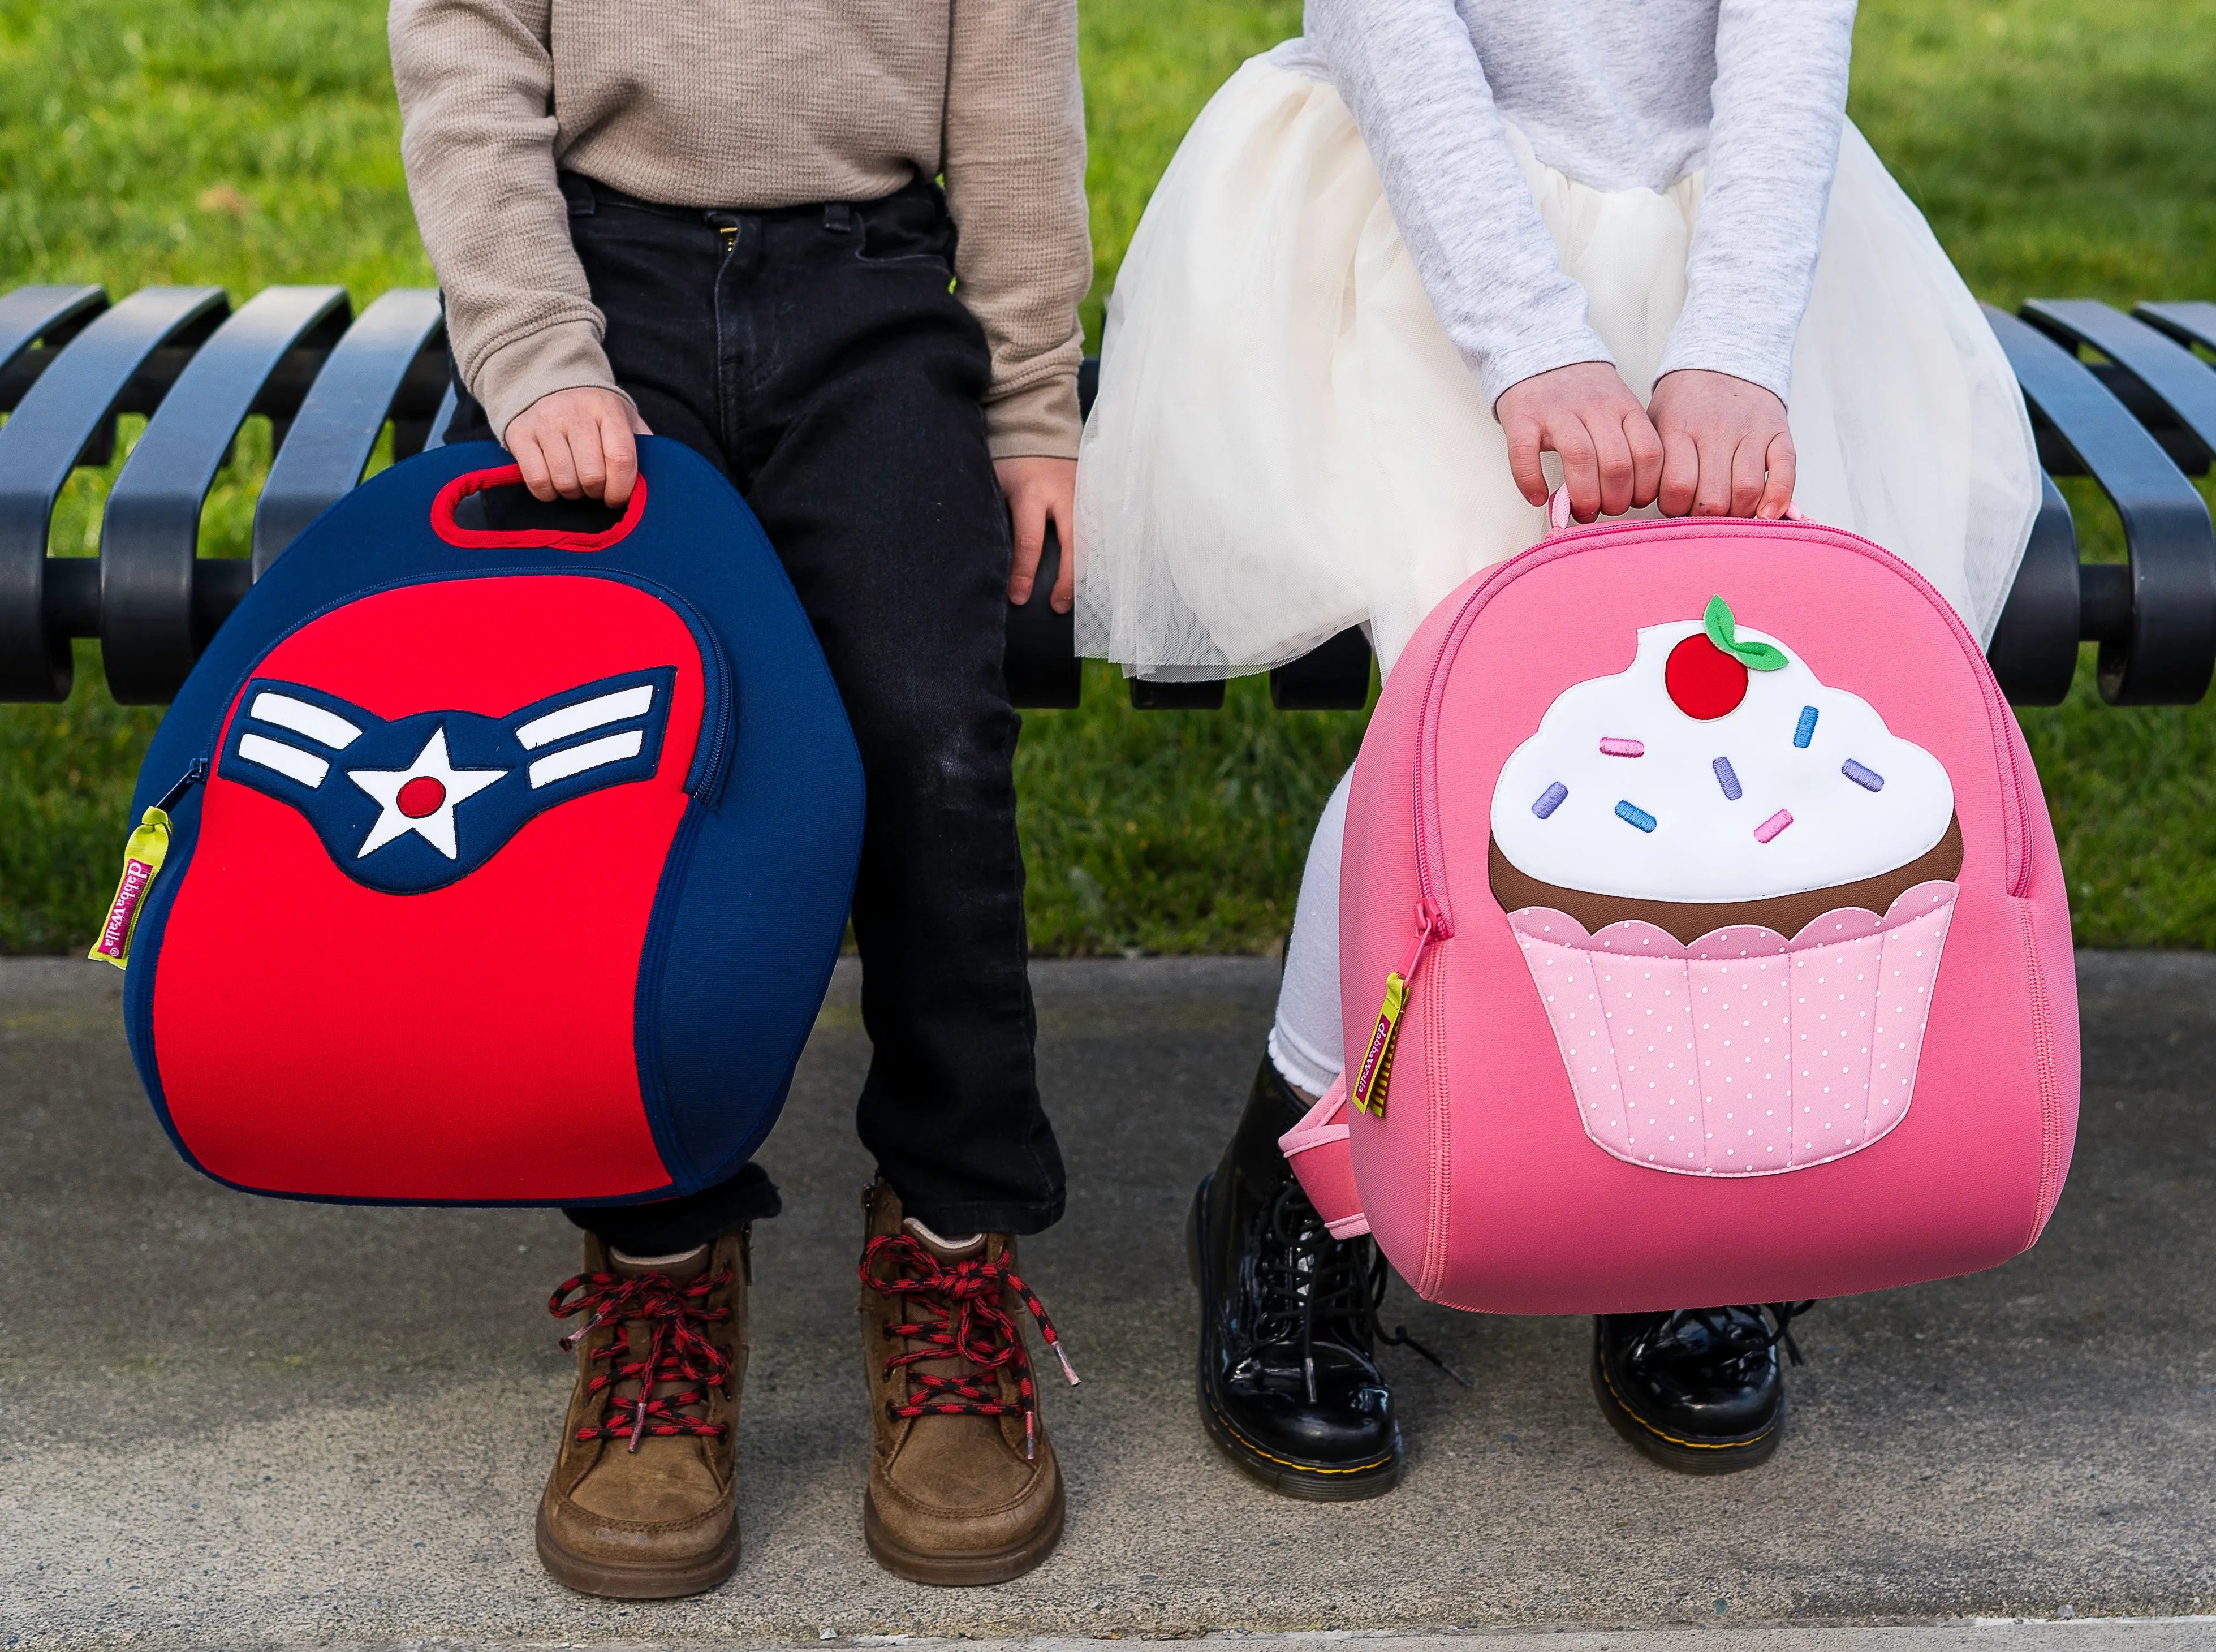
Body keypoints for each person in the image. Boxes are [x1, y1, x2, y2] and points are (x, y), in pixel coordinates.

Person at [1078, 0, 2040, 1495]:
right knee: (1468, 709)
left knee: (1747, 699)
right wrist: (1529, 343)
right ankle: (1297, 1191)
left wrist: (1733, 341)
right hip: (1434, 208)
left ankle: (1692, 1193)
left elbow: (1788, 39)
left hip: (1742, 227)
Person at [389, 0, 1090, 1595]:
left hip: (877, 294)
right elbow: (466, 52)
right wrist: (534, 353)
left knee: (933, 740)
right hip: (603, 291)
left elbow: (1017, 90)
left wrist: (1033, 401)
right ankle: (658, 1251)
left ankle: (949, 1256)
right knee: (622, 772)